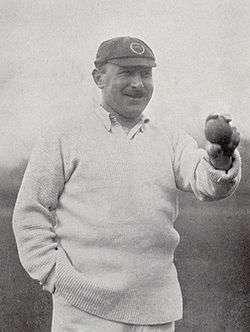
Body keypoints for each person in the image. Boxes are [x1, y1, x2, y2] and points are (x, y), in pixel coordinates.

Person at [12, 36, 241, 332]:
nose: (138, 84)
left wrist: (220, 154)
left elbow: (208, 183)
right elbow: (30, 213)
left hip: (156, 309)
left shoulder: (170, 137)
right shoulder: (63, 135)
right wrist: (56, 275)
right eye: (126, 72)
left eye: (145, 74)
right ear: (98, 77)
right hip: (83, 311)